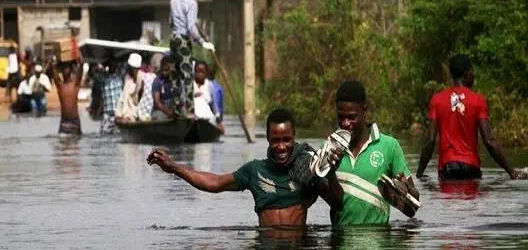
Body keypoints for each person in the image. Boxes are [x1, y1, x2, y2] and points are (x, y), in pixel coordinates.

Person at [147, 108, 343, 227]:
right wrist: (174, 167)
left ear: (294, 136)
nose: (281, 146)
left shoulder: (308, 170)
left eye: (286, 139)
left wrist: (331, 172)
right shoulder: (255, 171)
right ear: (267, 139)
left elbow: (337, 203)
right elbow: (215, 182)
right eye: (275, 140)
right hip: (264, 243)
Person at [416, 54, 526, 181]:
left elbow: (430, 141)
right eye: (472, 71)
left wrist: (419, 174)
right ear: (466, 74)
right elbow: (489, 141)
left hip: (448, 168)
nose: (473, 75)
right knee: (472, 197)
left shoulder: (437, 100)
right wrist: (512, 172)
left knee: (449, 199)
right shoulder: (478, 100)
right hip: (471, 167)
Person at [329, 80, 419, 226]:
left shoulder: (389, 146)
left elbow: (412, 209)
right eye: (341, 117)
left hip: (379, 241)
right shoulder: (330, 150)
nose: (345, 123)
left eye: (352, 117)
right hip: (341, 240)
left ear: (365, 110)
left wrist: (406, 191)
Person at [169, 0, 215, 119]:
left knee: (175, 75)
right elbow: (191, 27)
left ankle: (177, 109)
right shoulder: (191, 2)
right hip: (183, 40)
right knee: (188, 76)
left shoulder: (173, 0)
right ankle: (189, 110)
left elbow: (170, 21)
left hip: (173, 39)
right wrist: (203, 42)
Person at [51, 59, 83, 135]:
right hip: (64, 121)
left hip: (74, 120)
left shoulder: (75, 84)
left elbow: (80, 74)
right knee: (62, 144)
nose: (65, 70)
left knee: (76, 144)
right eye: (63, 68)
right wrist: (53, 66)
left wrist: (81, 64)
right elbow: (55, 77)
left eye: (67, 68)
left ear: (70, 70)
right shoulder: (60, 85)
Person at [192, 61, 224, 134]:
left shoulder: (209, 85)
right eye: (197, 72)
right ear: (194, 72)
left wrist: (219, 122)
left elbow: (213, 105)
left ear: (206, 74)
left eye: (202, 72)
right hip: (192, 119)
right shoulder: (190, 84)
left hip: (207, 119)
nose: (200, 74)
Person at [115, 53, 143, 124]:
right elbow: (123, 97)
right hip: (126, 115)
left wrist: (130, 117)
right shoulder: (127, 78)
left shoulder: (141, 79)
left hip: (135, 115)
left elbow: (138, 102)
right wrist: (119, 114)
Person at [99, 58, 123, 135]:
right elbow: (92, 73)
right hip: (107, 115)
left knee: (118, 137)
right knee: (103, 136)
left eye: (114, 64)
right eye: (110, 64)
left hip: (118, 114)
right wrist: (104, 64)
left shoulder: (120, 77)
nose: (112, 66)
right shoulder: (103, 78)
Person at [151, 57, 174, 121]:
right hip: (160, 110)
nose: (164, 72)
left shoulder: (173, 80)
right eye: (163, 70)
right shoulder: (157, 81)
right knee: (160, 116)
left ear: (170, 69)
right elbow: (157, 102)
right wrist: (168, 112)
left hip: (171, 108)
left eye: (166, 70)